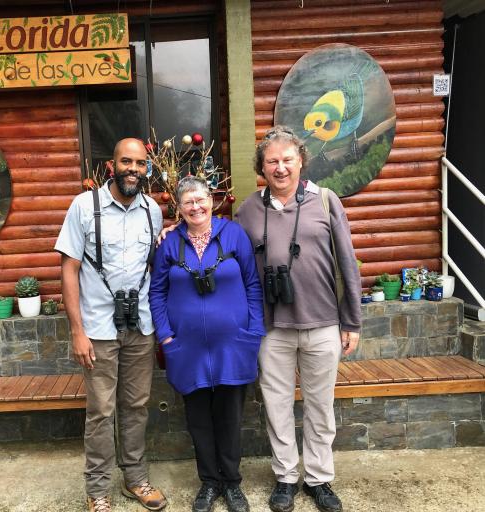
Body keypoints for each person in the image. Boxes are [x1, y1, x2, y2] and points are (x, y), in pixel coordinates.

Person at [235, 126, 361, 512]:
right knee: (276, 406)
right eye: (272, 161)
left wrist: (351, 321)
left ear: (301, 159)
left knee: (320, 407)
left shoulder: (325, 201)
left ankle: (319, 479)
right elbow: (231, 261)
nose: (280, 167)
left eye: (287, 159)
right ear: (262, 166)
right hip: (271, 328)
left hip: (323, 322)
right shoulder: (248, 209)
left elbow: (347, 262)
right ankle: (286, 477)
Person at [55, 138, 167, 512]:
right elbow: (68, 269)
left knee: (136, 406)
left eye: (140, 163)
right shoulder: (84, 206)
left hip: (140, 326)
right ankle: (97, 489)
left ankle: (135, 480)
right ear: (111, 165)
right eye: (126, 161)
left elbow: (154, 267)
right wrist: (77, 330)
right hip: (98, 330)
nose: (133, 168)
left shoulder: (152, 210)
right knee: (101, 411)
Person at [149, 176, 265, 512]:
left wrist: (252, 332)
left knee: (229, 418)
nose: (196, 206)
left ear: (211, 200)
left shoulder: (233, 235)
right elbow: (157, 292)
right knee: (198, 419)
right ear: (179, 208)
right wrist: (166, 336)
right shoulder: (170, 244)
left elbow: (252, 285)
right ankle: (209, 483)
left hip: (234, 345)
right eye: (188, 202)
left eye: (201, 199)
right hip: (187, 349)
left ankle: (231, 483)